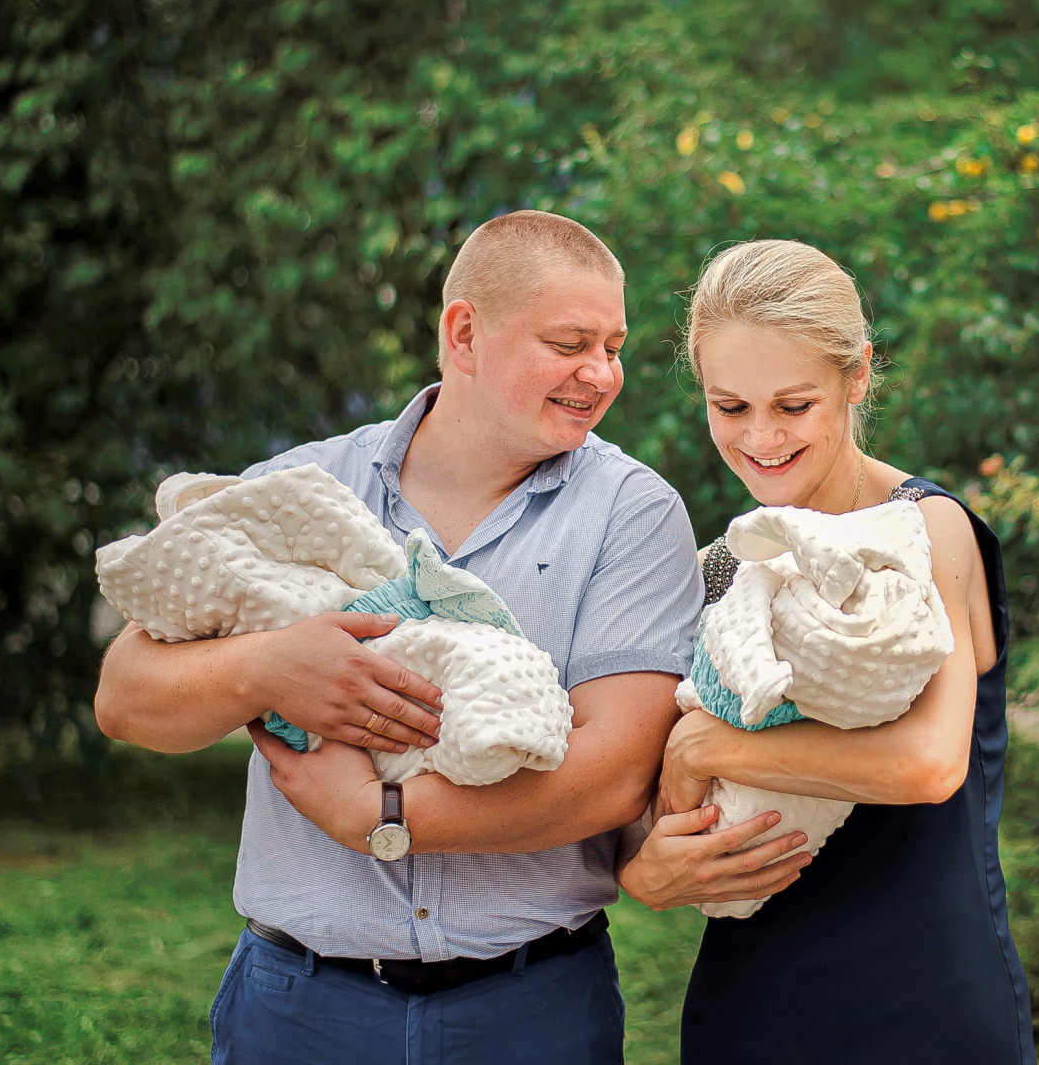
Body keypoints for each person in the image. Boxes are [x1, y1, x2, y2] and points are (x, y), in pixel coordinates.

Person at [94, 210, 705, 1065]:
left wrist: (384, 818)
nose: (600, 373)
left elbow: (610, 778)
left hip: (531, 1012)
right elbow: (124, 698)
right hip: (296, 1009)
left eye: (613, 345)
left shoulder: (632, 514)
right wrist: (267, 667)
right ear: (464, 334)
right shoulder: (300, 488)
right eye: (570, 342)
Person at [618, 239, 1037, 1065]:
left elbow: (926, 764)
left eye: (793, 404)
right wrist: (645, 875)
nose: (760, 437)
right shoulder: (720, 567)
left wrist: (707, 742)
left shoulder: (927, 529)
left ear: (857, 377)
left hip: (925, 1011)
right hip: (752, 1010)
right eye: (729, 406)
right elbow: (638, 809)